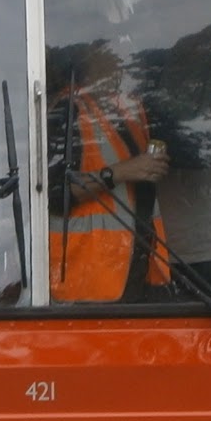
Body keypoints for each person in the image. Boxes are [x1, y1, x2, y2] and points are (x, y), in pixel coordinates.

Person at [45, 41, 172, 302]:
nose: (120, 62)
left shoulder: (128, 107)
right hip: (89, 280)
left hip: (138, 271)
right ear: (87, 60)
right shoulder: (67, 110)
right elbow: (53, 194)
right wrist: (121, 172)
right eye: (111, 55)